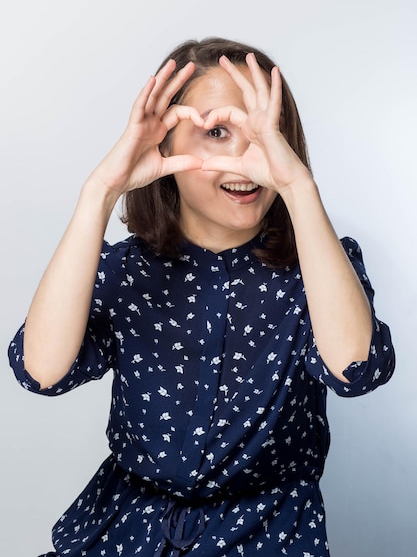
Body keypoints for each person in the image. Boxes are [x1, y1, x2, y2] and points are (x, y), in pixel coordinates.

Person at [8, 36, 395, 557]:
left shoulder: (318, 266)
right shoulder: (124, 269)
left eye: (264, 132)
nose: (247, 157)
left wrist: (300, 188)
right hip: (124, 535)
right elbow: (41, 370)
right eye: (217, 132)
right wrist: (100, 192)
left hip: (264, 537)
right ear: (164, 146)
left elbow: (357, 369)